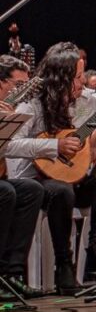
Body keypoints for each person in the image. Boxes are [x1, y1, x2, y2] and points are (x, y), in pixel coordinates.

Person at [6, 42, 96, 293]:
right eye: (78, 77)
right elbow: (11, 144)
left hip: (66, 177)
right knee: (61, 191)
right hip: (32, 179)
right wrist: (53, 146)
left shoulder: (81, 101)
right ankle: (64, 264)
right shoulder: (32, 104)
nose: (82, 84)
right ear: (62, 79)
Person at [0, 55, 46, 299]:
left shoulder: (14, 110)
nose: (23, 91)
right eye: (18, 86)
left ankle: (12, 273)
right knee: (5, 192)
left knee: (31, 189)